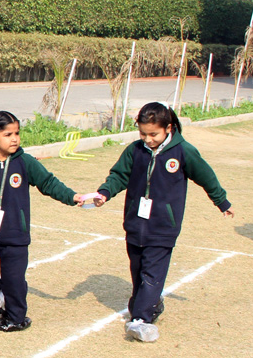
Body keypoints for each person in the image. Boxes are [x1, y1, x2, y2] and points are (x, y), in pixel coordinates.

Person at [90, 102, 233, 343]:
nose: (148, 139)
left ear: (168, 128)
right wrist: (104, 192)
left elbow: (206, 176)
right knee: (137, 270)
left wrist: (221, 201)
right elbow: (119, 176)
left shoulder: (183, 152)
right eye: (143, 134)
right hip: (135, 223)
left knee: (152, 272)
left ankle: (142, 320)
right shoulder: (135, 151)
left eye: (153, 134)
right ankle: (150, 304)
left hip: (163, 226)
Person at [0, 110, 84, 332]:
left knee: (14, 280)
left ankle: (16, 318)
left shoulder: (26, 162)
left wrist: (72, 196)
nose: (14, 139)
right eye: (8, 134)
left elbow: (49, 183)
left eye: (17, 133)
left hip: (15, 234)